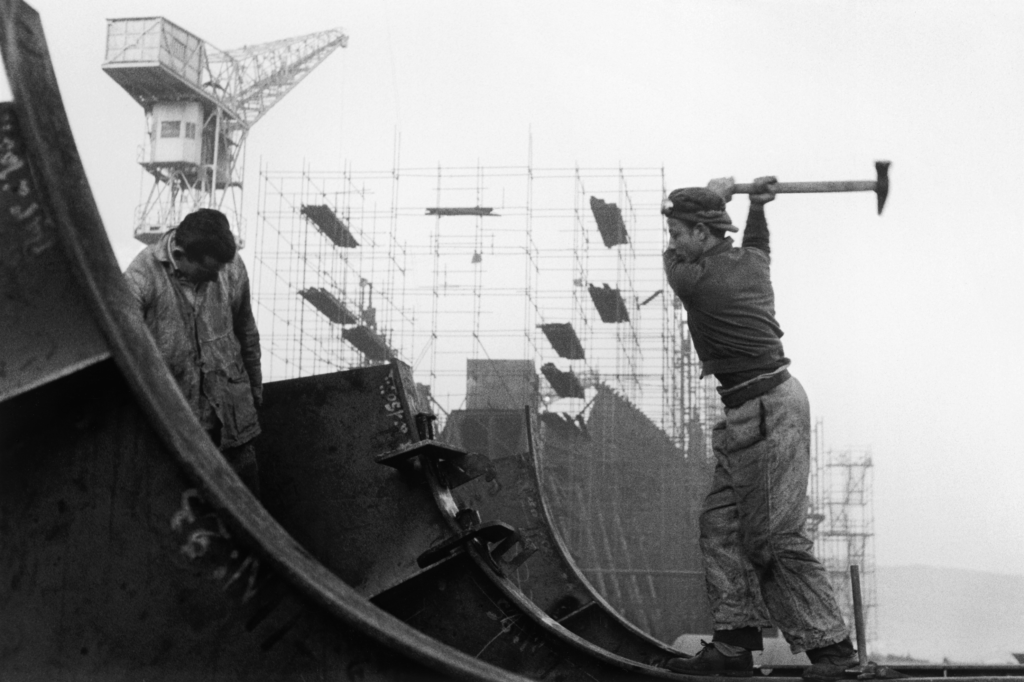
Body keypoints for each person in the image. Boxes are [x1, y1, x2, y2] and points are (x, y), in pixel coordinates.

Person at [661, 178, 857, 681]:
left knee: (773, 536)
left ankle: (832, 653)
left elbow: (676, 264)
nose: (674, 240)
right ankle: (734, 645)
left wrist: (718, 194)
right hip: (753, 410)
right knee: (722, 525)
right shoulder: (750, 264)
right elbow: (758, 244)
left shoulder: (698, 279)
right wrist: (755, 206)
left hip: (769, 409)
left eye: (679, 230)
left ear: (702, 233)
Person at [125, 209, 263, 496]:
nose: (216, 278)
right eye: (208, 271)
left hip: (232, 424)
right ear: (180, 252)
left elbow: (246, 333)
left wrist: (255, 390)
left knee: (250, 506)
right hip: (178, 428)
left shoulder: (230, 265)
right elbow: (125, 352)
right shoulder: (141, 277)